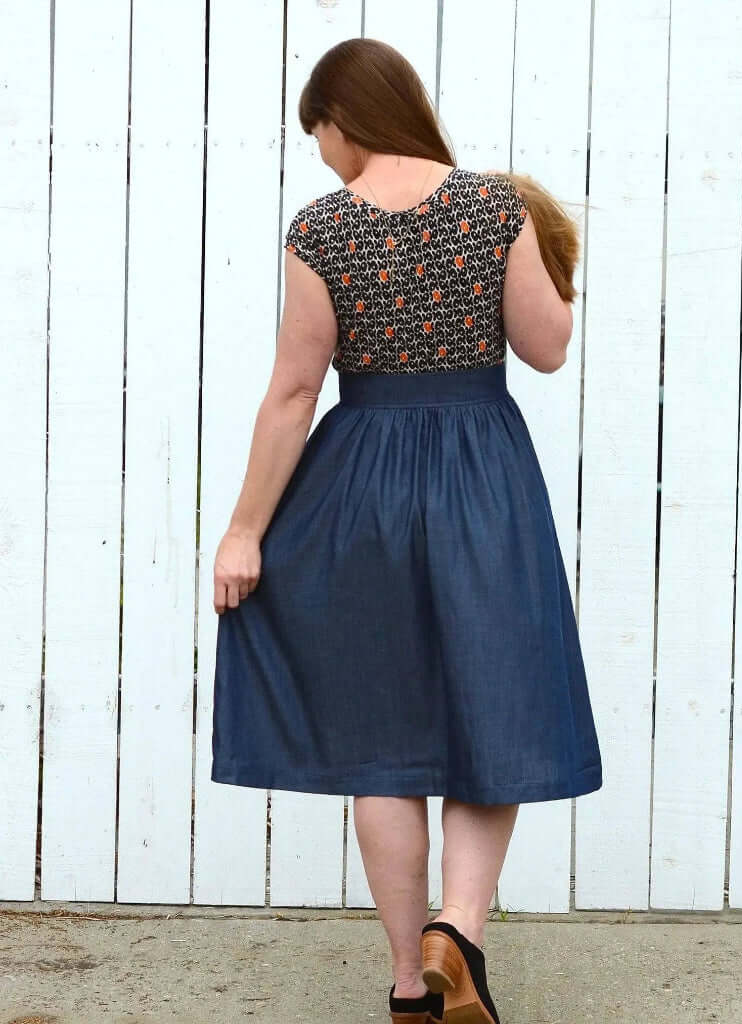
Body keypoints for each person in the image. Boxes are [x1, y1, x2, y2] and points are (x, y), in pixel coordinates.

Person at [208, 37, 602, 1024]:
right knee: (490, 711)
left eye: (320, 134)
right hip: (483, 479)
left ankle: (407, 985)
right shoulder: (493, 209)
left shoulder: (321, 229)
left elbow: (294, 391)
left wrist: (244, 532)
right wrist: (546, 252)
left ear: (345, 121)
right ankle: (456, 930)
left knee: (383, 741)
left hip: (364, 489)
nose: (323, 155)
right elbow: (547, 348)